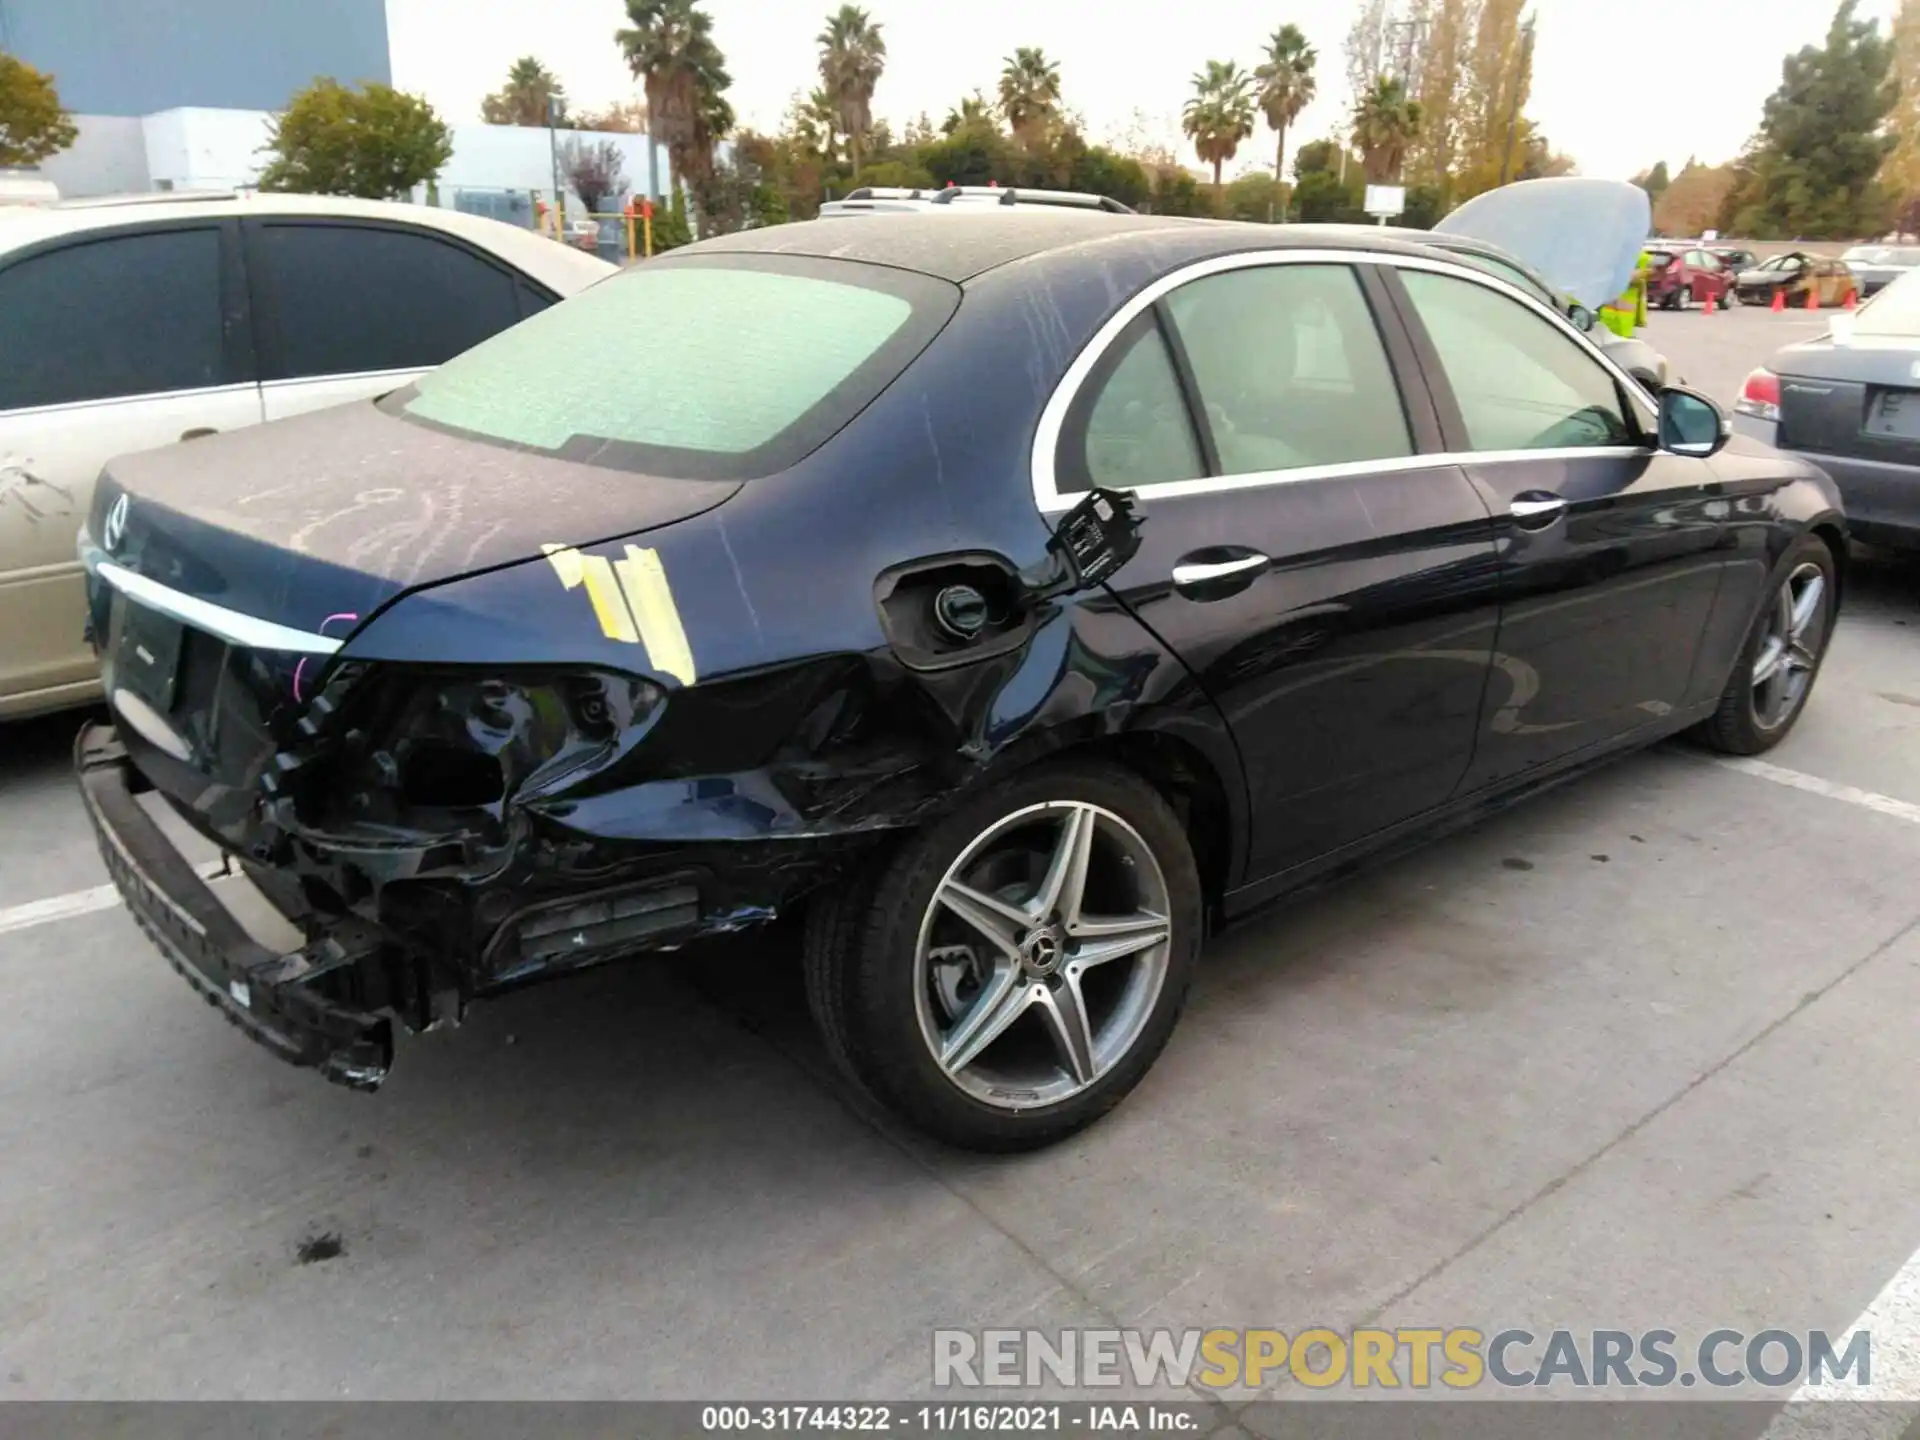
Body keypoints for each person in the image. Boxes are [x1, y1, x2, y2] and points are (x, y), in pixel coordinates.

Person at [1598, 249, 1651, 339]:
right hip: (1608, 311)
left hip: (1624, 314)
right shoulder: (1609, 255)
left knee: (1622, 341)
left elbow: (1637, 277)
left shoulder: (1642, 258)